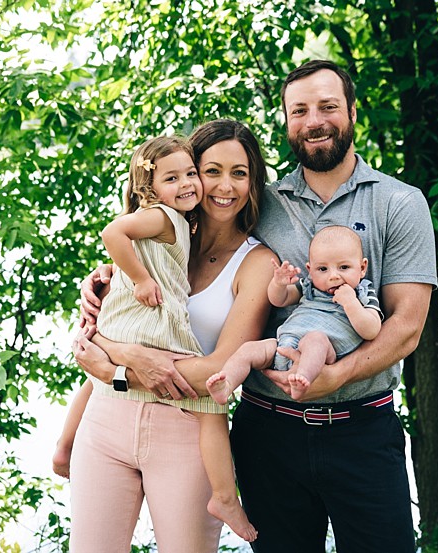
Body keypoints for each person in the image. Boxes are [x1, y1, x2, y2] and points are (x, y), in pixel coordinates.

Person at [227, 59, 438, 552]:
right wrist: (116, 274)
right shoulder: (260, 201)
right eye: (299, 110)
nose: (314, 120)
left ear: (352, 112)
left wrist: (337, 376)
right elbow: (195, 255)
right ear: (286, 121)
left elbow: (407, 326)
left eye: (327, 106)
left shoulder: (399, 203)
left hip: (361, 430)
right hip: (267, 433)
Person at [71, 119, 277, 552]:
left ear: (254, 181)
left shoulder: (257, 263)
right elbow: (99, 330)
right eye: (210, 170)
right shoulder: (158, 237)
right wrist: (113, 348)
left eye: (239, 173)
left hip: (187, 433)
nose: (224, 186)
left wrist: (117, 366)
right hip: (107, 420)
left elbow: (219, 372)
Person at [206, 225, 381, 403]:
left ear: (362, 267)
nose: (333, 276)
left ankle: (301, 378)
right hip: (283, 345)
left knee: (315, 339)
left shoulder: (362, 292)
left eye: (344, 267)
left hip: (324, 352)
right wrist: (279, 284)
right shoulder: (310, 286)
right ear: (310, 269)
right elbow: (279, 300)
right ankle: (226, 384)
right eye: (322, 269)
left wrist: (350, 303)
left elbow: (371, 330)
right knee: (248, 350)